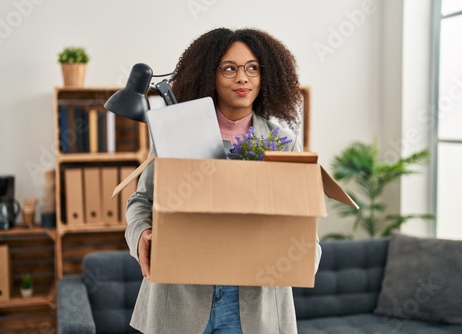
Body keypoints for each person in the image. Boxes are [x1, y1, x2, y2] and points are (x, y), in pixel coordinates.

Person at [125, 27, 322, 334]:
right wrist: (141, 236)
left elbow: (302, 220)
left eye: (252, 68)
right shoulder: (177, 131)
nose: (242, 78)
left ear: (265, 76)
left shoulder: (283, 142)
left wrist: (305, 254)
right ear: (210, 75)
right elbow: (141, 201)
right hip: (180, 298)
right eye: (229, 68)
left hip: (254, 307)